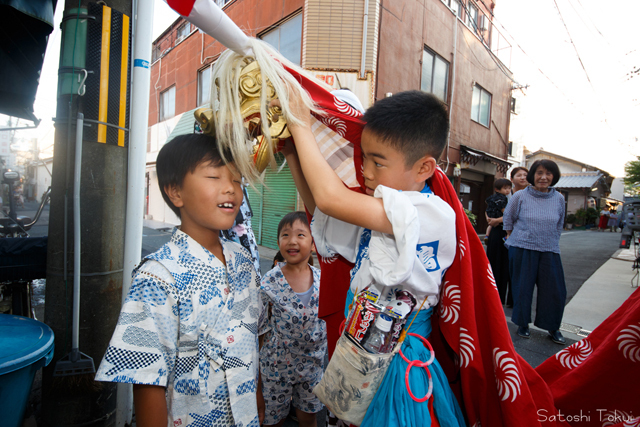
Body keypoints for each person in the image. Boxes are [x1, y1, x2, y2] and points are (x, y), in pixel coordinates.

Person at [283, 90, 465, 427]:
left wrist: (299, 123)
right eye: (364, 157)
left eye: (377, 161)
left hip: (396, 363)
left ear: (425, 167)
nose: (364, 171)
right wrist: (292, 151)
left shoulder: (426, 213)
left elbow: (330, 199)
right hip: (364, 352)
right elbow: (321, 208)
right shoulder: (387, 212)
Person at [95, 134, 265, 426]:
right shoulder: (157, 277)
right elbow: (148, 378)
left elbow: (252, 343)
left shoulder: (243, 262)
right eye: (214, 176)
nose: (231, 189)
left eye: (237, 180)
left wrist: (259, 404)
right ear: (175, 193)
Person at [258, 211, 327, 427]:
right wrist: (259, 375)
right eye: (285, 235)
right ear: (278, 242)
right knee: (273, 420)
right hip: (276, 366)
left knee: (309, 418)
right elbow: (259, 327)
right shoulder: (270, 280)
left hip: (312, 366)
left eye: (300, 235)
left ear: (313, 241)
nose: (292, 241)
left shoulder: (322, 279)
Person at [503, 159, 567, 345]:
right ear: (533, 175)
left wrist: (552, 240)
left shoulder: (559, 198)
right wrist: (512, 238)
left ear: (554, 176)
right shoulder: (520, 196)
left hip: (549, 249)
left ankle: (553, 326)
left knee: (555, 291)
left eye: (548, 173)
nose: (543, 177)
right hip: (522, 248)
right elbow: (509, 218)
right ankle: (523, 324)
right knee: (522, 288)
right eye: (539, 173)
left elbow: (559, 223)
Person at [485, 178, 513, 306]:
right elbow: (507, 214)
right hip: (502, 232)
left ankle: (493, 296)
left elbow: (488, 214)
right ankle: (498, 297)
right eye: (505, 188)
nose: (508, 190)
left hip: (496, 230)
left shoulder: (491, 198)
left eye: (508, 188)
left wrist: (493, 221)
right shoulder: (503, 199)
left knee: (495, 264)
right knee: (500, 265)